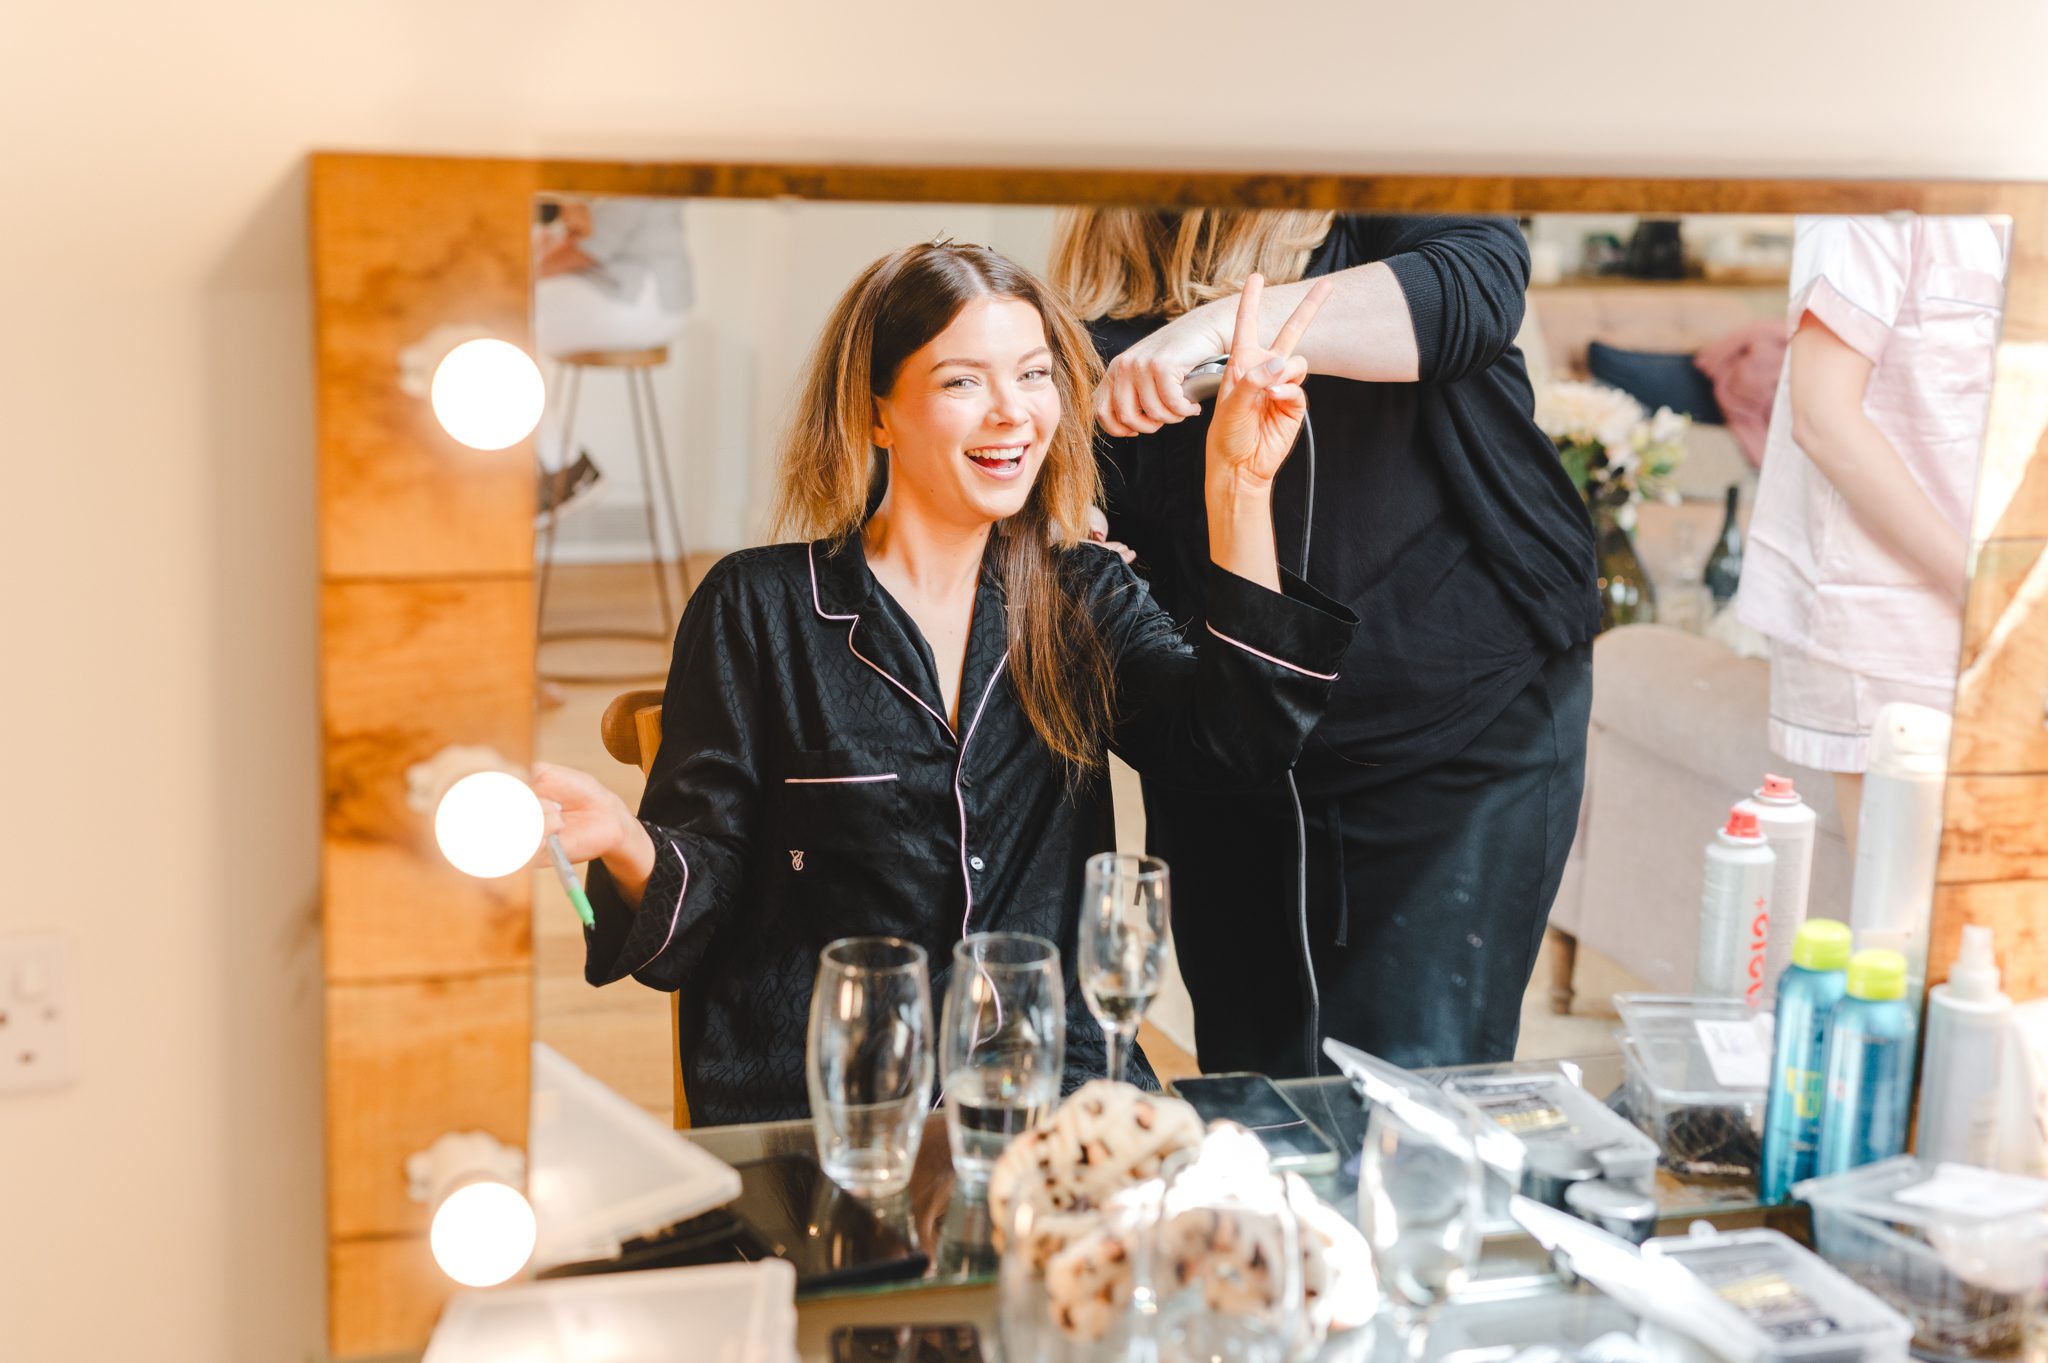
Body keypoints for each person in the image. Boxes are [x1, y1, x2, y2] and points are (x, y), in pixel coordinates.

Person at [532, 242, 1355, 1124]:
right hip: (822, 1101)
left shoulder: (1080, 592)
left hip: (1050, 1088)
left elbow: (1241, 744)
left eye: (1035, 374)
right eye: (964, 382)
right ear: (877, 412)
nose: (1014, 414)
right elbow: (709, 884)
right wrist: (622, 835)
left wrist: (1238, 483)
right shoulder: (758, 605)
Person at [1051, 209, 1598, 1074]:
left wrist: (1219, 329)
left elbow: (1476, 288)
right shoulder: (1097, 306)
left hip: (1456, 736)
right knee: (1254, 1095)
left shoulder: (1372, 151)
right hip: (1237, 755)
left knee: (1402, 1109)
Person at [1736, 215, 2008, 843]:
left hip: (2007, 602)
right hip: (1893, 618)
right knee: (1911, 918)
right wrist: (1986, 589)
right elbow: (1823, 417)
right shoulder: (1866, 206)